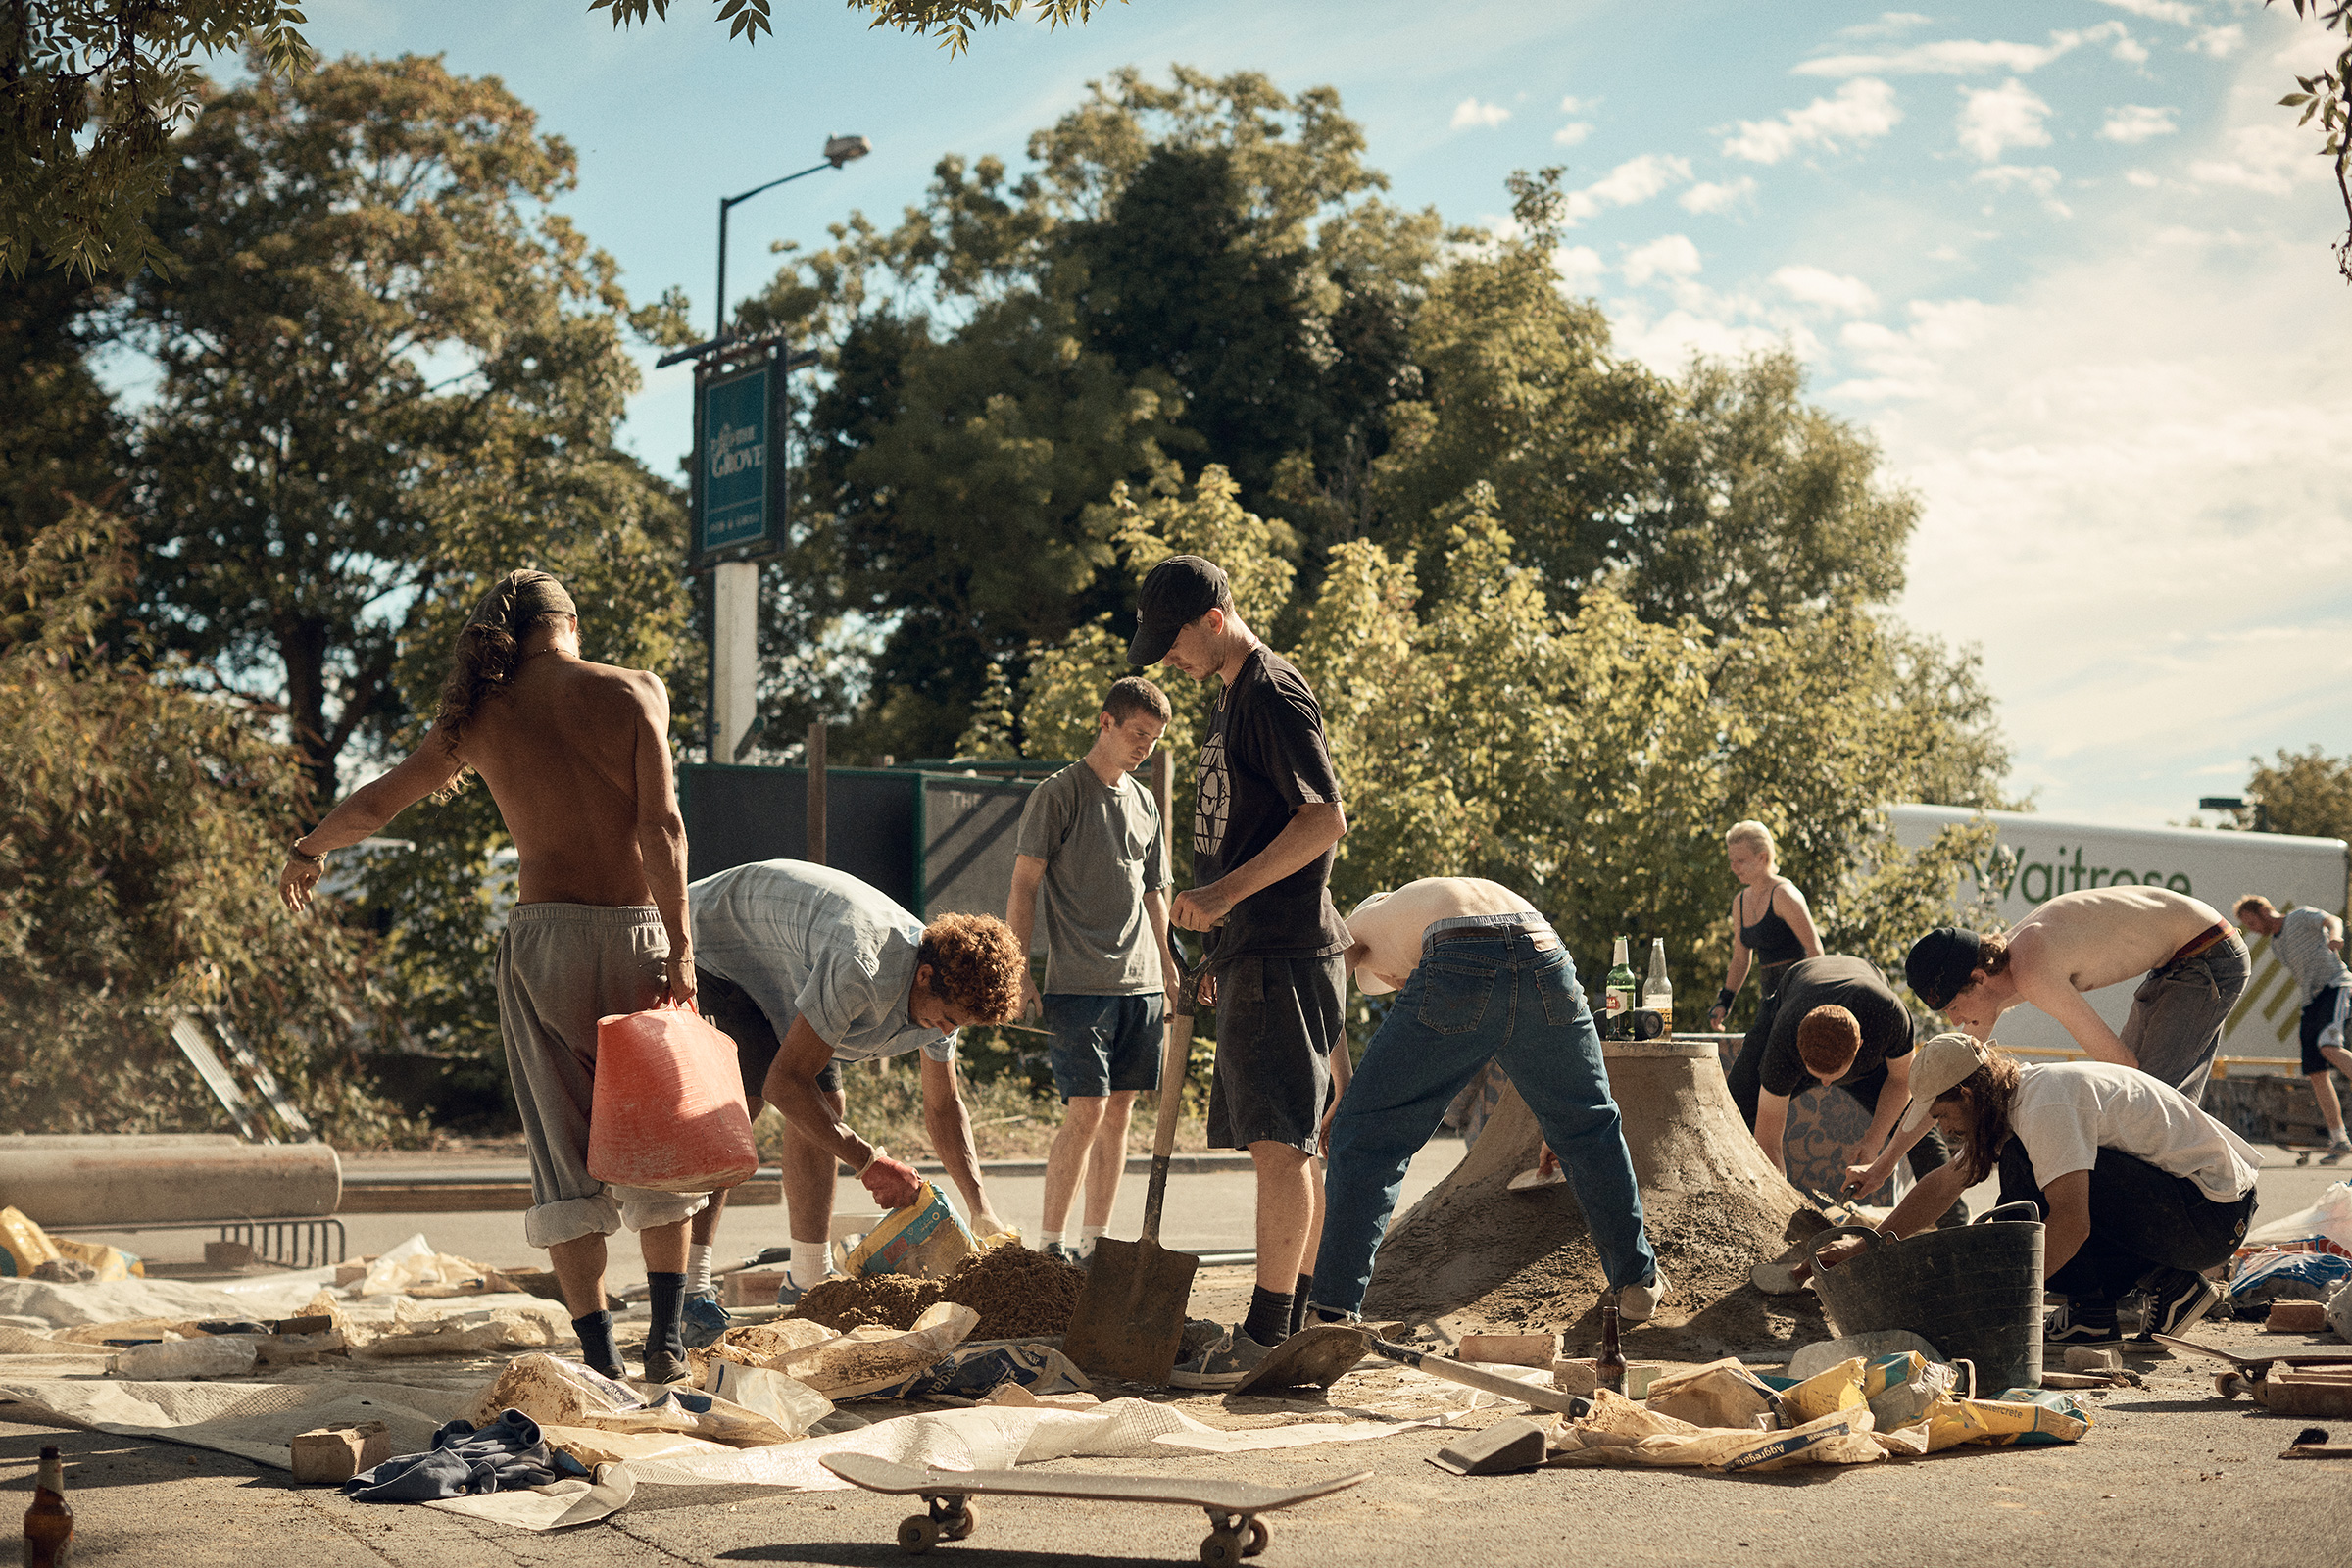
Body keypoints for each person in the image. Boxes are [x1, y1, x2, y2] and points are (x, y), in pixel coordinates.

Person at [278, 570, 705, 1384]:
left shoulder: (476, 719)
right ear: (569, 625)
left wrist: (308, 851)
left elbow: (375, 807)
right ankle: (666, 1343)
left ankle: (600, 1359)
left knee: (560, 1149)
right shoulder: (635, 690)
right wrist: (680, 948)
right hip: (639, 932)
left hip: (546, 941)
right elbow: (664, 827)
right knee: (656, 1143)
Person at [1131, 554, 1348, 1389]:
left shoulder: (1270, 690)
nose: (1168, 662)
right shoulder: (1233, 693)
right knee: (1286, 1144)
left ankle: (1266, 1334)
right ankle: (1294, 1325)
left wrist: (1220, 896)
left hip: (1286, 950)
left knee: (1279, 1146)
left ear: (1214, 620)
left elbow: (1324, 819)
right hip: (1258, 950)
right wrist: (1226, 941)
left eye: (1173, 644)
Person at [1308, 879, 1664, 1331]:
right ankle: (1637, 1282)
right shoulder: (1433, 898)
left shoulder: (1362, 922)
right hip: (1546, 949)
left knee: (1367, 1138)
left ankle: (1332, 1312)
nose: (1401, 989)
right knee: (1590, 1128)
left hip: (1458, 953)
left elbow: (1325, 992)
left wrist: (1344, 1085)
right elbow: (1513, 1004)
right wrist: (1558, 1119)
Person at [684, 859, 1023, 1321]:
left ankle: (805, 1280)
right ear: (924, 976)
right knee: (743, 1104)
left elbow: (944, 1107)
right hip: (718, 946)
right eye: (947, 1017)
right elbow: (785, 1084)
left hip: (791, 963)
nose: (945, 1030)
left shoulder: (949, 992)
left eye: (957, 1024)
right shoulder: (863, 966)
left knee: (825, 1105)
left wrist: (980, 1208)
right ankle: (690, 1290)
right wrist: (868, 1162)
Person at [1815, 1036, 2259, 1346]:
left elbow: (2072, 1220)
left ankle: (2093, 1312)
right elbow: (1946, 1183)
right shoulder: (2014, 1101)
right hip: (2193, 1212)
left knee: (2025, 1186)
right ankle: (2167, 1286)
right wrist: (1866, 1246)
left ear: (1968, 1094)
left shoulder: (2043, 1104)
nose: (1943, 1128)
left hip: (2211, 1217)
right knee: (2028, 1171)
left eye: (1942, 1114)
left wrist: (1998, 1309)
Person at [1006, 676, 1183, 1268]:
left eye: (1154, 740)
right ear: (1105, 722)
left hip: (1143, 986)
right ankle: (1050, 1247)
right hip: (1079, 985)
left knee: (1121, 1112)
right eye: (1138, 734)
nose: (1144, 748)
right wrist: (1017, 967)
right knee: (1085, 1109)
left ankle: (1095, 1245)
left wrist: (1170, 964)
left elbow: (1156, 890)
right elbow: (1024, 884)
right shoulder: (1058, 794)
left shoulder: (1145, 801)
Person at [1905, 886, 2248, 1103]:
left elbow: (2122, 1064)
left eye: (1953, 1008)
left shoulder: (2032, 971)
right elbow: (1947, 1077)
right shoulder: (2001, 971)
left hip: (2208, 952)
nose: (1957, 1021)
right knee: (2145, 1097)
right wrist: (1885, 1162)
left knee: (2145, 1097)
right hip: (2177, 959)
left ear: (1978, 979)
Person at [1725, 955, 1966, 1227]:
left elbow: (1902, 1082)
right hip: (1792, 994)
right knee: (1733, 1108)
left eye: (1833, 1077)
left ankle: (1954, 1224)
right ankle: (1730, 1207)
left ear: (1861, 1045)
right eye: (1817, 1077)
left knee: (1916, 1122)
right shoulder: (1782, 1046)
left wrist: (1873, 1141)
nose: (1825, 1086)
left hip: (1867, 1003)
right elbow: (1768, 1141)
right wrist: (1777, 1206)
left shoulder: (1890, 1016)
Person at [2232, 895, 2352, 1156]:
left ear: (2264, 910)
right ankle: (2338, 1138)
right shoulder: (2277, 945)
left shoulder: (2299, 916)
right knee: (2315, 1071)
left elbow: (2332, 920)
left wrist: (2335, 936)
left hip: (2335, 985)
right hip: (2312, 1000)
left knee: (2328, 1046)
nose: (2253, 930)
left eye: (2252, 922)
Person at [1706, 822, 1821, 1075]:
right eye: (1731, 860)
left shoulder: (1785, 895)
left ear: (1763, 857)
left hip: (1797, 1001)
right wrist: (1724, 1001)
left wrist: (1811, 1006)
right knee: (1749, 1074)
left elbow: (1815, 952)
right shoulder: (1740, 901)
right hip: (1769, 1003)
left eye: (1740, 861)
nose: (1733, 867)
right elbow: (1740, 957)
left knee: (1775, 1074)